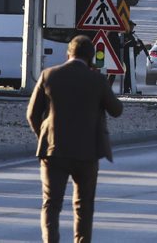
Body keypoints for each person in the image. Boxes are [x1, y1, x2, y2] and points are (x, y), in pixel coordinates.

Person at [27, 35, 123, 243]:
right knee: (84, 205)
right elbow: (116, 110)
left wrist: (43, 137)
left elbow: (32, 114)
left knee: (51, 204)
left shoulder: (48, 75)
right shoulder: (97, 80)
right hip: (87, 153)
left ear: (67, 53)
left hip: (54, 151)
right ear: (90, 58)